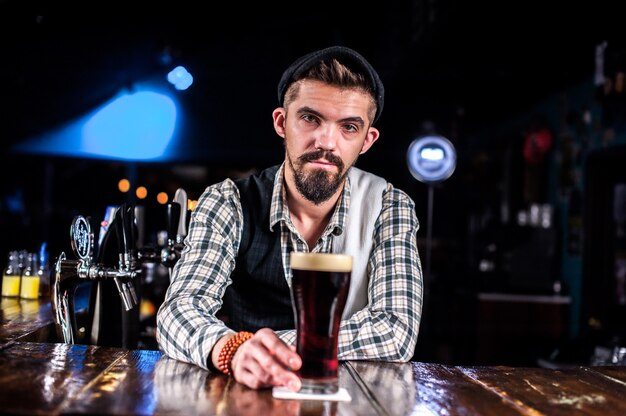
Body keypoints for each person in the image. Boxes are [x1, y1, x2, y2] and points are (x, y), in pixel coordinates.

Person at [156, 45, 423, 391]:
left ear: (367, 140)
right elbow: (178, 310)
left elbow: (396, 330)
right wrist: (232, 349)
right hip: (245, 395)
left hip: (348, 402)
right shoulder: (228, 201)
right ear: (282, 122)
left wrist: (265, 346)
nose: (326, 142)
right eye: (311, 118)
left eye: (349, 127)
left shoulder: (389, 206)